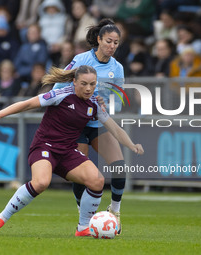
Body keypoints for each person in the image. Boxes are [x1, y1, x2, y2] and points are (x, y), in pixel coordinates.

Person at [0, 65, 144, 236]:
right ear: (74, 82)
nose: (88, 88)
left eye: (92, 84)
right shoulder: (61, 95)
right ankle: (0, 219)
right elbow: (28, 103)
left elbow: (114, 128)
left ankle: (83, 228)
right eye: (84, 83)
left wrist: (131, 144)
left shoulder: (95, 104)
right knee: (41, 183)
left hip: (67, 152)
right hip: (45, 147)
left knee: (97, 181)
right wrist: (0, 113)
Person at [52, 18, 126, 234]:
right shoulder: (81, 60)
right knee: (81, 172)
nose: (112, 46)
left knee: (120, 166)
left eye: (116, 43)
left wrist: (106, 105)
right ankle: (83, 213)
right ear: (99, 39)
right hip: (76, 124)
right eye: (109, 41)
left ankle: (115, 210)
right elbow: (58, 88)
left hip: (98, 123)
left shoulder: (117, 68)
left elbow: (119, 102)